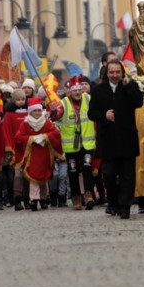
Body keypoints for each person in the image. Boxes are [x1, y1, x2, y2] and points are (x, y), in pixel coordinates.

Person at [88, 59, 144, 219]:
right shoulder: (99, 90)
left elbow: (138, 102)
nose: (115, 75)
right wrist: (104, 116)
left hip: (127, 138)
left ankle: (125, 206)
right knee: (109, 174)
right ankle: (113, 202)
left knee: (128, 175)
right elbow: (91, 113)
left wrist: (128, 87)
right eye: (111, 72)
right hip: (108, 139)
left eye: (117, 72)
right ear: (107, 73)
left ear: (122, 72)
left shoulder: (130, 86)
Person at [15, 98, 63, 211]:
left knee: (43, 176)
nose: (37, 113)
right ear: (30, 112)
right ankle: (34, 199)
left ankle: (43, 199)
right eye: (34, 111)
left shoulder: (46, 122)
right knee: (33, 177)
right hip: (32, 155)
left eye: (38, 110)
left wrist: (45, 137)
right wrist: (31, 139)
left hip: (44, 154)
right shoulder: (25, 124)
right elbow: (18, 138)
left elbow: (56, 133)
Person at [57, 75, 96, 210]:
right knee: (73, 171)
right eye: (74, 90)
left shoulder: (88, 98)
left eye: (79, 89)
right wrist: (52, 110)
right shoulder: (63, 103)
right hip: (71, 145)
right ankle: (76, 197)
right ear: (69, 91)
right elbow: (56, 115)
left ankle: (89, 195)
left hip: (87, 143)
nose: (78, 92)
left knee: (87, 168)